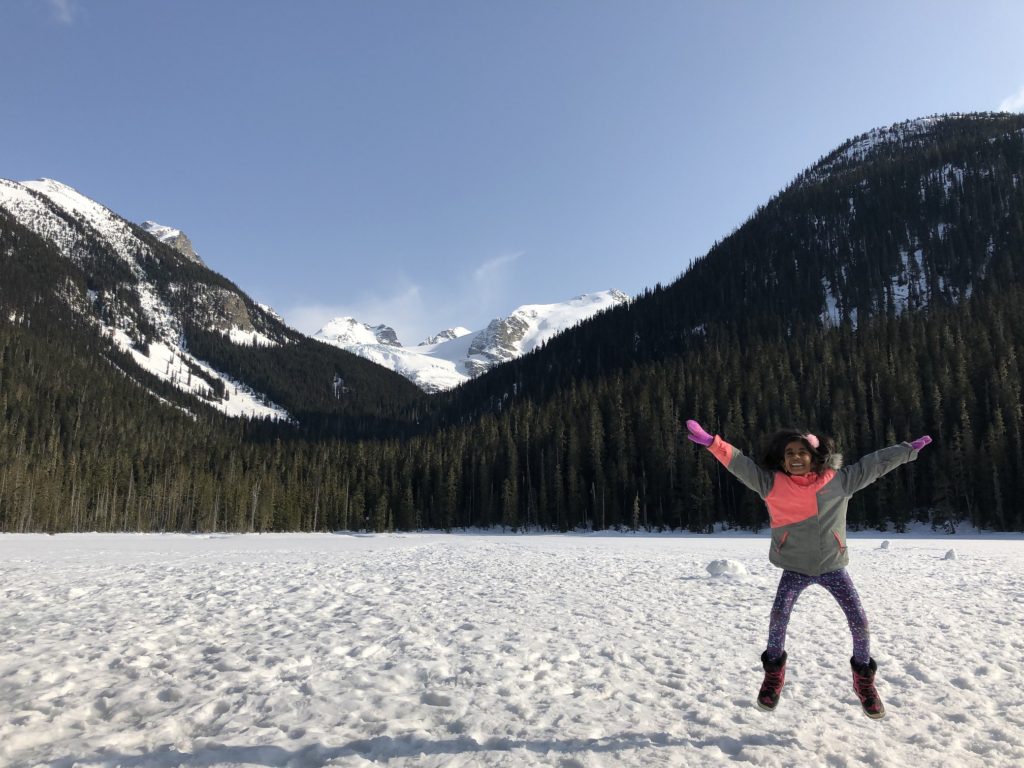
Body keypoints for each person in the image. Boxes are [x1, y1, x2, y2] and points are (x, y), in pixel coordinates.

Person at [685, 419, 932, 719]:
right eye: (789, 453)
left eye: (802, 452)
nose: (795, 457)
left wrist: (905, 450)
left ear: (816, 456)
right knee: (778, 617)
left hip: (833, 567)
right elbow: (740, 464)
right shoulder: (772, 484)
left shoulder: (839, 481)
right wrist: (713, 443)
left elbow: (874, 464)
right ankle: (774, 675)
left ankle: (863, 680)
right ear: (782, 460)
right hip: (794, 568)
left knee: (860, 621)